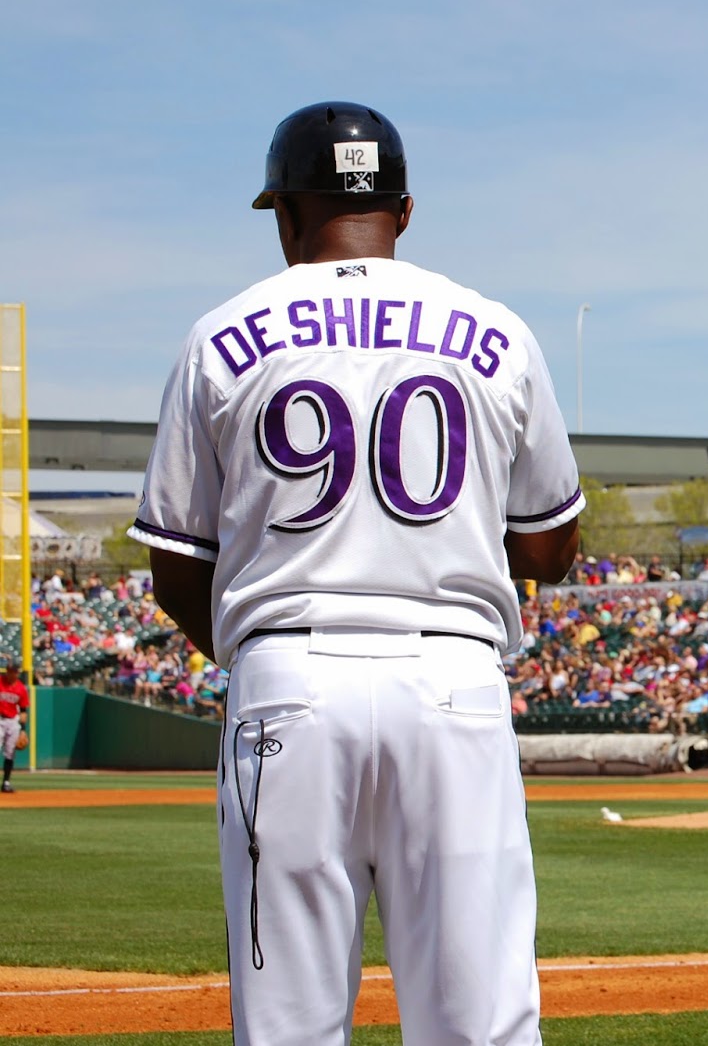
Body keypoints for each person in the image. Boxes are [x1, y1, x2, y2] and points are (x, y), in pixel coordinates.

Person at [129, 101, 582, 1046]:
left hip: (286, 677)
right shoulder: (495, 331)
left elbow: (177, 565)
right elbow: (548, 545)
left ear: (286, 212)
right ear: (404, 212)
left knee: (289, 1024)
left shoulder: (222, 334)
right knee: (482, 1023)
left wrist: (262, 660)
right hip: (455, 681)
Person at [0, 663, 28, 793]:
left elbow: (23, 711)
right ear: (7, 671)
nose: (13, 673)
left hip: (13, 722)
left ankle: (6, 783)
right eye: (11, 671)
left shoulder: (21, 689)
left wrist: (23, 730)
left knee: (10, 753)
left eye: (15, 671)